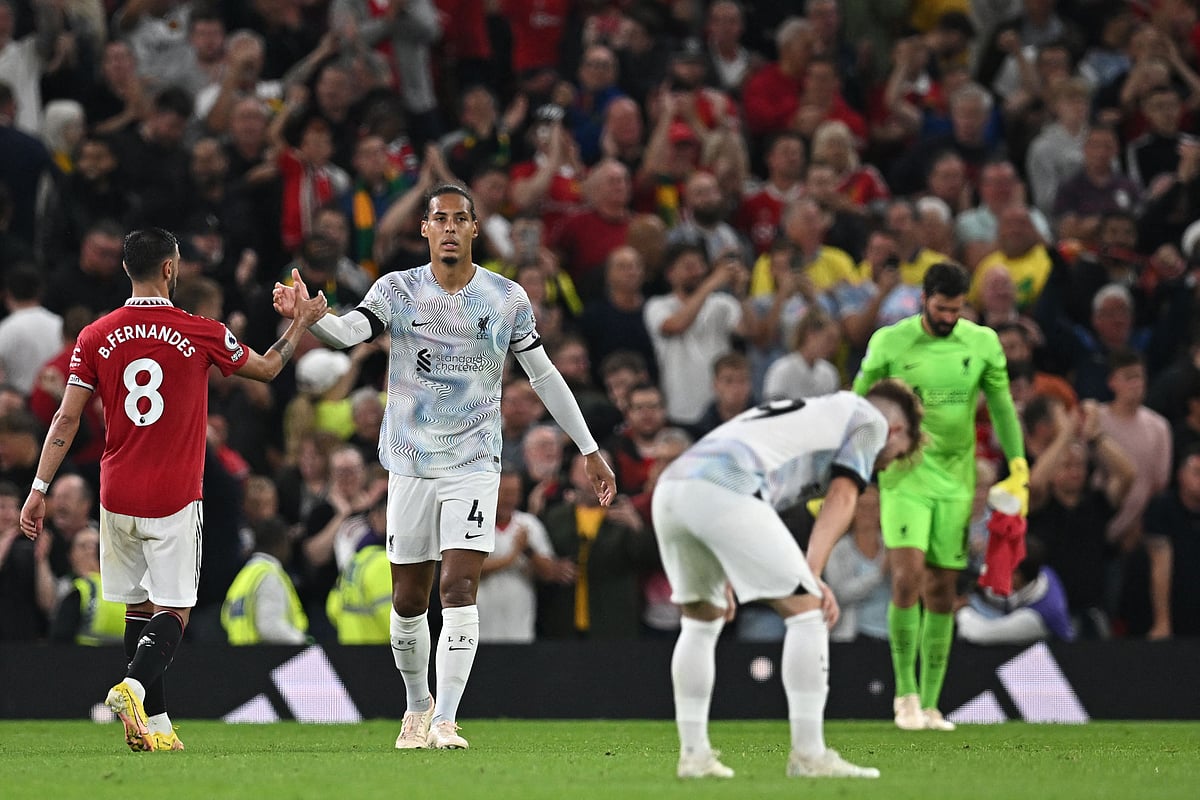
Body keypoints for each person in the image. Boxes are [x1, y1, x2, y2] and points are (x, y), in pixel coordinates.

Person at [272, 183, 616, 751]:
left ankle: (446, 719)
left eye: (461, 219)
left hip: (476, 462)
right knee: (409, 599)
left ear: (475, 229)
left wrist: (589, 448)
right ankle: (416, 705)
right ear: (425, 229)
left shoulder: (505, 298)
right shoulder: (398, 289)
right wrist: (312, 319)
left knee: (459, 588)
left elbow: (545, 376)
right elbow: (349, 332)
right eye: (441, 219)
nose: (451, 227)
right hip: (409, 463)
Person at [18, 227, 328, 753]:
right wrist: (299, 322)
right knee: (174, 609)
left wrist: (39, 487)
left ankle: (157, 727)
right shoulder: (199, 330)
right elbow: (270, 368)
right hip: (175, 493)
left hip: (115, 492)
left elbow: (66, 419)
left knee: (137, 610)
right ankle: (134, 689)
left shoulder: (95, 334)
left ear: (126, 269)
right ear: (170, 269)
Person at [652, 380, 922, 779]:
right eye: (897, 457)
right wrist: (812, 576)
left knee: (701, 621)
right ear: (896, 431)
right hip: (724, 486)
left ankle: (694, 756)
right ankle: (809, 755)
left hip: (673, 488)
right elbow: (844, 497)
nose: (885, 467)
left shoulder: (810, 423)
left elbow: (753, 516)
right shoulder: (870, 420)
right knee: (807, 611)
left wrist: (727, 564)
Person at [852, 262, 1027, 732]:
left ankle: (931, 704)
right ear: (923, 299)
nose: (949, 316)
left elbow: (1003, 407)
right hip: (905, 474)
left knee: (943, 590)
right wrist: (854, 459)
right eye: (941, 308)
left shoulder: (982, 342)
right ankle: (904, 695)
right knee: (907, 578)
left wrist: (1018, 464)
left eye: (956, 308)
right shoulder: (891, 341)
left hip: (956, 479)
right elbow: (858, 401)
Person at [220, 517, 309, 646]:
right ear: (280, 542)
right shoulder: (269, 575)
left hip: (240, 656)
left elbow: (226, 616)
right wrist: (302, 641)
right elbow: (269, 626)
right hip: (266, 658)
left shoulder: (246, 575)